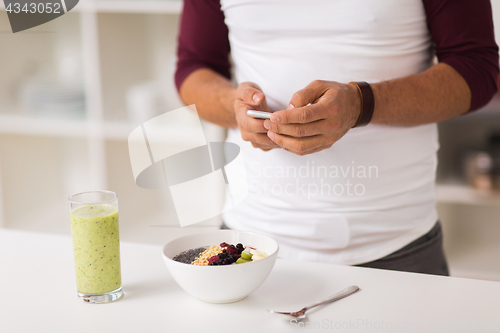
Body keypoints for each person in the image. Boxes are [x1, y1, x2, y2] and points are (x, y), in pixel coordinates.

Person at [174, 0, 499, 275]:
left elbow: (478, 68)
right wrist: (235, 109)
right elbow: (194, 66)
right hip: (249, 245)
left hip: (397, 246)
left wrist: (362, 103)